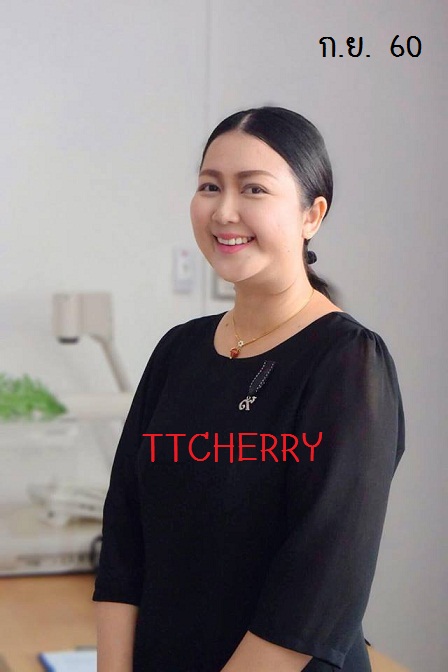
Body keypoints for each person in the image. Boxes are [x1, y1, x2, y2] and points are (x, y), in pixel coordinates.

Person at [93, 106, 405, 672]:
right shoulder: (178, 350)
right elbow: (123, 538)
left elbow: (317, 596)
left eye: (254, 188)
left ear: (312, 215)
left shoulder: (347, 362)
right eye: (210, 186)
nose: (224, 211)